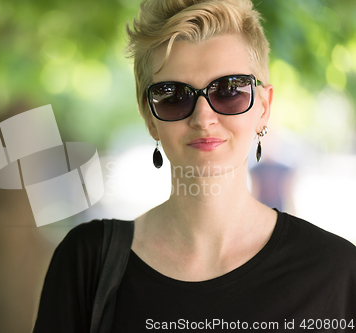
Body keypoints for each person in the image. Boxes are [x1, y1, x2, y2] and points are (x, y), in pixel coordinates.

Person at [32, 0, 356, 332]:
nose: (203, 118)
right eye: (173, 95)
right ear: (149, 118)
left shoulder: (336, 272)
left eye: (229, 90)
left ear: (263, 107)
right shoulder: (88, 263)